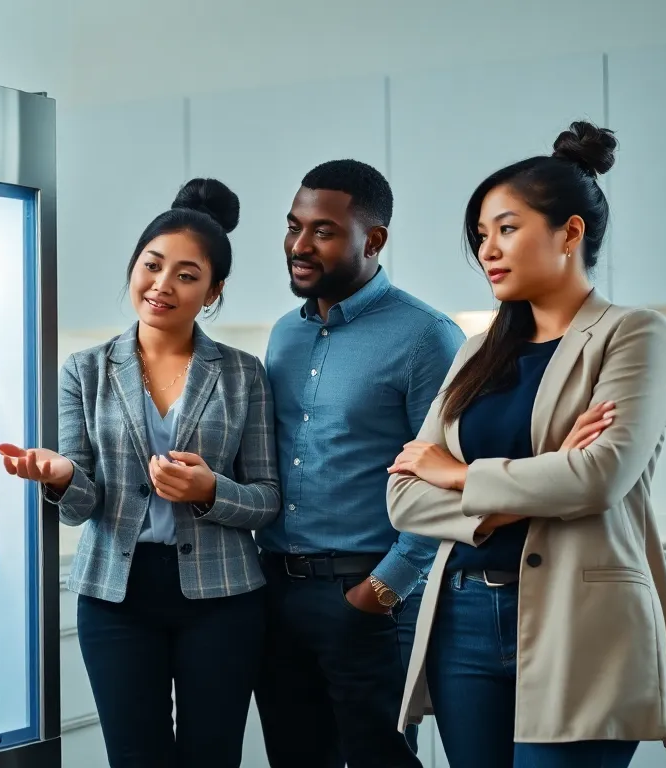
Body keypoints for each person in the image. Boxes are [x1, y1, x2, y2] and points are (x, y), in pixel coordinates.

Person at [385, 121, 666, 767]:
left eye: (506, 228)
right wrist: (530, 485)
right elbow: (402, 496)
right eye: (480, 235)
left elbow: (598, 479)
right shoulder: (476, 352)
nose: (487, 250)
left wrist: (457, 475)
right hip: (462, 619)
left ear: (569, 232)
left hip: (579, 622)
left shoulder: (633, 334)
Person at [0, 178, 279, 768]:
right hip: (114, 598)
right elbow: (81, 503)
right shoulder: (84, 370)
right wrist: (58, 475)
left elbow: (267, 499)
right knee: (135, 757)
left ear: (213, 291)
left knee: (213, 756)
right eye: (152, 265)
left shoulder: (242, 374)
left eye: (186, 274)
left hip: (223, 600)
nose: (162, 285)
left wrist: (210, 492)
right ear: (133, 267)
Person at [255, 159, 465, 767]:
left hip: (367, 594)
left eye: (322, 231)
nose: (298, 245)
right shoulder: (282, 335)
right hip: (276, 593)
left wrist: (382, 589)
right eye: (293, 226)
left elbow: (446, 482)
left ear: (372, 241)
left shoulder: (428, 337)